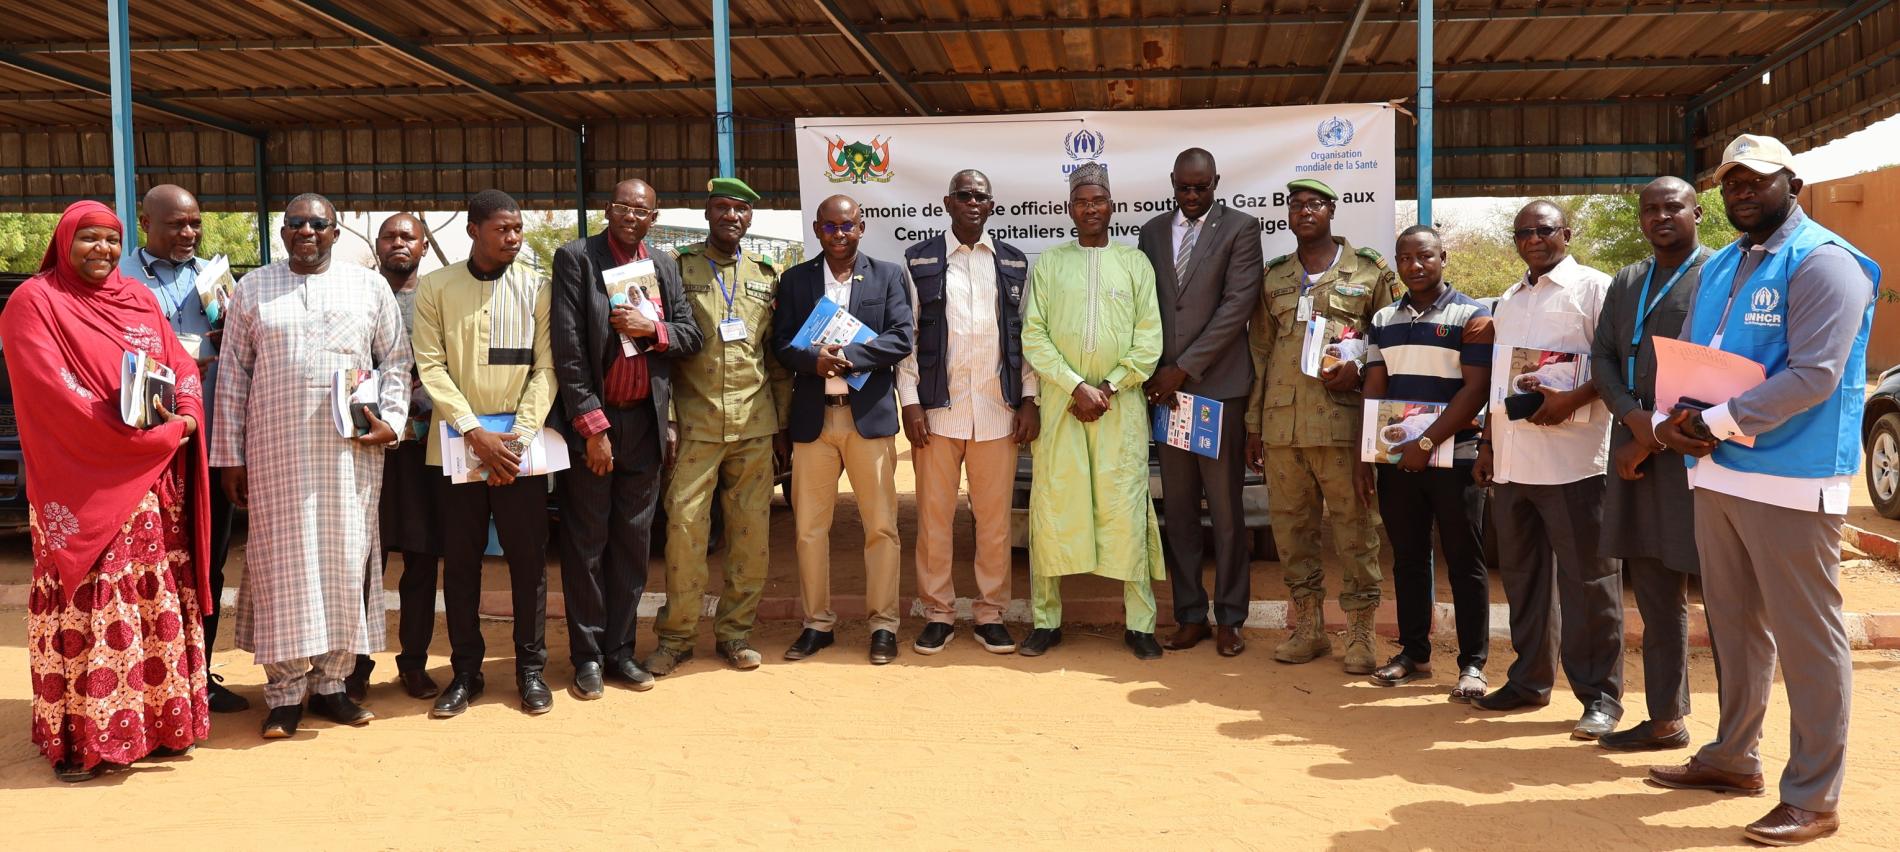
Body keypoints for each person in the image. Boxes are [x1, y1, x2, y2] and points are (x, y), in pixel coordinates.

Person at [1647, 134, 1879, 846]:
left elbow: (1815, 375)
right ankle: (1732, 757)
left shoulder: (1825, 263)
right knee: (1734, 624)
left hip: (1790, 478)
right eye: (1731, 181)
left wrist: (1714, 421)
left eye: (1757, 180)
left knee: (1809, 639)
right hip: (1719, 473)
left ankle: (1813, 796)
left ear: (1793, 183)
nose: (1742, 190)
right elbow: (1692, 359)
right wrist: (1668, 420)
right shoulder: (1721, 263)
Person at [5, 201, 213, 782]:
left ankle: (159, 727)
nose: (101, 249)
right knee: (91, 597)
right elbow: (55, 394)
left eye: (110, 239)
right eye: (88, 239)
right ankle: (87, 741)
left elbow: (181, 366)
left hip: (152, 484)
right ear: (64, 241)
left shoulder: (138, 299)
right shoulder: (36, 303)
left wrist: (188, 417)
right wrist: (144, 438)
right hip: (80, 480)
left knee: (152, 598)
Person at [212, 193, 412, 739]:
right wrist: (229, 456)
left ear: (335, 232)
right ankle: (284, 693)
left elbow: (395, 362)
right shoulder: (254, 288)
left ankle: (331, 686)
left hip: (351, 457)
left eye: (317, 224)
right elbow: (232, 376)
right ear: (282, 233)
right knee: (284, 566)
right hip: (276, 457)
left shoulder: (368, 286)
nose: (307, 231)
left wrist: (391, 421)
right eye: (296, 223)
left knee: (346, 561)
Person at [1471, 200, 1624, 741]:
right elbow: (1498, 381)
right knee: (1524, 579)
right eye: (1522, 232)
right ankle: (1529, 680)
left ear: (1567, 232)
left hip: (1575, 460)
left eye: (1543, 229)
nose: (1532, 239)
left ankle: (1600, 697)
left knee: (1589, 582)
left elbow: (1617, 365)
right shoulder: (1509, 298)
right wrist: (1488, 443)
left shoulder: (1593, 288)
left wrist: (1572, 398)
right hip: (1514, 461)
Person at [550, 178, 700, 698]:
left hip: (645, 425)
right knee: (587, 544)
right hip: (597, 425)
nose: (631, 215)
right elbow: (568, 352)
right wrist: (592, 427)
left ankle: (620, 652)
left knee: (633, 548)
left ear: (654, 218)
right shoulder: (577, 259)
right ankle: (587, 656)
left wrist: (649, 329)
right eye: (622, 206)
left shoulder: (663, 265)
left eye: (642, 209)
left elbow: (690, 335)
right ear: (608, 210)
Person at [414, 189, 556, 718]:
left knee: (528, 562)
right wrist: (475, 433)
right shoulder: (437, 288)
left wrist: (515, 440)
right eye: (503, 229)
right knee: (463, 563)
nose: (514, 238)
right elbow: (431, 367)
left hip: (520, 451)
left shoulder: (536, 287)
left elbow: (547, 369)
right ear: (473, 230)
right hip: (457, 448)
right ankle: (466, 673)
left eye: (518, 230)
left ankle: (530, 670)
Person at [1244, 178, 1394, 673]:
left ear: (1332, 210)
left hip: (1342, 429)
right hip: (1282, 430)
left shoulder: (1369, 273)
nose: (1304, 212)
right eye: (1296, 205)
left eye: (1315, 204)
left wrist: (1361, 376)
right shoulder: (1275, 278)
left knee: (1355, 531)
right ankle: (1308, 628)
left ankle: (1360, 635)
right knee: (1292, 532)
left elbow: (1388, 348)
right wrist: (1253, 425)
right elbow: (1262, 353)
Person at [1019, 162, 1166, 660]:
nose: (1090, 209)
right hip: (1062, 405)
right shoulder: (1050, 264)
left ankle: (1140, 624)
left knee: (1125, 510)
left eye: (1098, 201)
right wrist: (1076, 385)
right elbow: (1033, 335)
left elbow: (1150, 339)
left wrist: (1110, 385)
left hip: (1120, 409)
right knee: (1054, 508)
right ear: (1069, 210)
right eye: (1081, 202)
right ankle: (1046, 619)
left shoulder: (1135, 264)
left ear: (1112, 206)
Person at [645, 178, 792, 676]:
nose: (732, 216)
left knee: (751, 536)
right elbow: (659, 349)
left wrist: (783, 426)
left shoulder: (767, 276)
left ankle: (735, 633)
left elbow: (772, 359)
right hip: (695, 424)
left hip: (753, 424)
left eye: (741, 210)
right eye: (723, 208)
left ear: (750, 219)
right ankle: (677, 637)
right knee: (685, 531)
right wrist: (664, 419)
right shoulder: (676, 267)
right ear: (708, 214)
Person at [897, 169, 1039, 655]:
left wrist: (1029, 398)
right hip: (938, 414)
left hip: (998, 411)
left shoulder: (1015, 263)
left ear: (992, 205)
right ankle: (938, 613)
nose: (973, 203)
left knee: (995, 520)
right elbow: (907, 339)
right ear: (948, 202)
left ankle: (990, 613)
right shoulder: (919, 261)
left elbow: (1027, 337)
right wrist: (910, 400)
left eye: (981, 196)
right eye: (964, 195)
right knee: (934, 519)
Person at [1588, 177, 1708, 751]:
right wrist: (1634, 420)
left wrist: (1655, 435)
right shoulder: (1629, 280)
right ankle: (1666, 719)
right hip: (1635, 444)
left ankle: (1737, 742)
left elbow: (1719, 371)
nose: (1661, 217)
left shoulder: (1719, 274)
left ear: (1697, 212)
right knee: (1656, 593)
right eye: (1650, 209)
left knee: (1721, 596)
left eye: (1672, 207)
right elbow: (1605, 356)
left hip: (1695, 455)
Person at [120, 184, 248, 714]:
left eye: (195, 224)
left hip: (208, 442)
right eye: (176, 225)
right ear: (146, 222)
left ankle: (200, 674)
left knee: (206, 563)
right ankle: (145, 681)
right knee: (145, 568)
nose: (188, 234)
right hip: (143, 451)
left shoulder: (214, 278)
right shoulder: (120, 279)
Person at [773, 194, 914, 664]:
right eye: (830, 227)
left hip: (867, 419)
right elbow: (780, 345)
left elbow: (902, 336)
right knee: (810, 528)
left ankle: (883, 625)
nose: (839, 235)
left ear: (862, 226)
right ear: (816, 229)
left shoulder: (888, 274)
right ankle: (817, 624)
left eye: (847, 226)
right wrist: (813, 361)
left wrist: (851, 357)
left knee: (881, 527)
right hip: (814, 419)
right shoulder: (795, 280)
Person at [1355, 226, 1493, 699]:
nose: (1415, 265)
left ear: (1443, 257)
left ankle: (1473, 664)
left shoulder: (1473, 315)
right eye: (1406, 257)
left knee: (1464, 561)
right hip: (1397, 459)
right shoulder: (1383, 319)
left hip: (1454, 457)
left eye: (1425, 256)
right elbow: (1374, 388)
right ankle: (1414, 653)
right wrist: (1365, 454)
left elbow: (1475, 391)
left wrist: (1429, 442)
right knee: (1409, 559)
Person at [1136, 148, 1262, 656]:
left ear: (1216, 182)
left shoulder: (1241, 228)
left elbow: (1237, 307)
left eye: (1202, 188)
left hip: (1216, 390)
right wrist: (1158, 374)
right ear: (1172, 182)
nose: (1192, 197)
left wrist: (1182, 369)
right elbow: (1147, 303)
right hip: (1167, 397)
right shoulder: (1150, 232)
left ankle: (1230, 617)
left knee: (1228, 513)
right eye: (1184, 188)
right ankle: (1190, 614)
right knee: (1181, 510)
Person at [348, 212, 446, 702]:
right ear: (377, 246)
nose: (399, 243)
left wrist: (414, 398)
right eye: (390, 236)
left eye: (409, 236)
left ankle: (413, 662)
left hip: (425, 448)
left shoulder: (437, 297)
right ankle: (357, 666)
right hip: (367, 448)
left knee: (423, 559)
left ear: (424, 246)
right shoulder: (358, 296)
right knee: (366, 559)